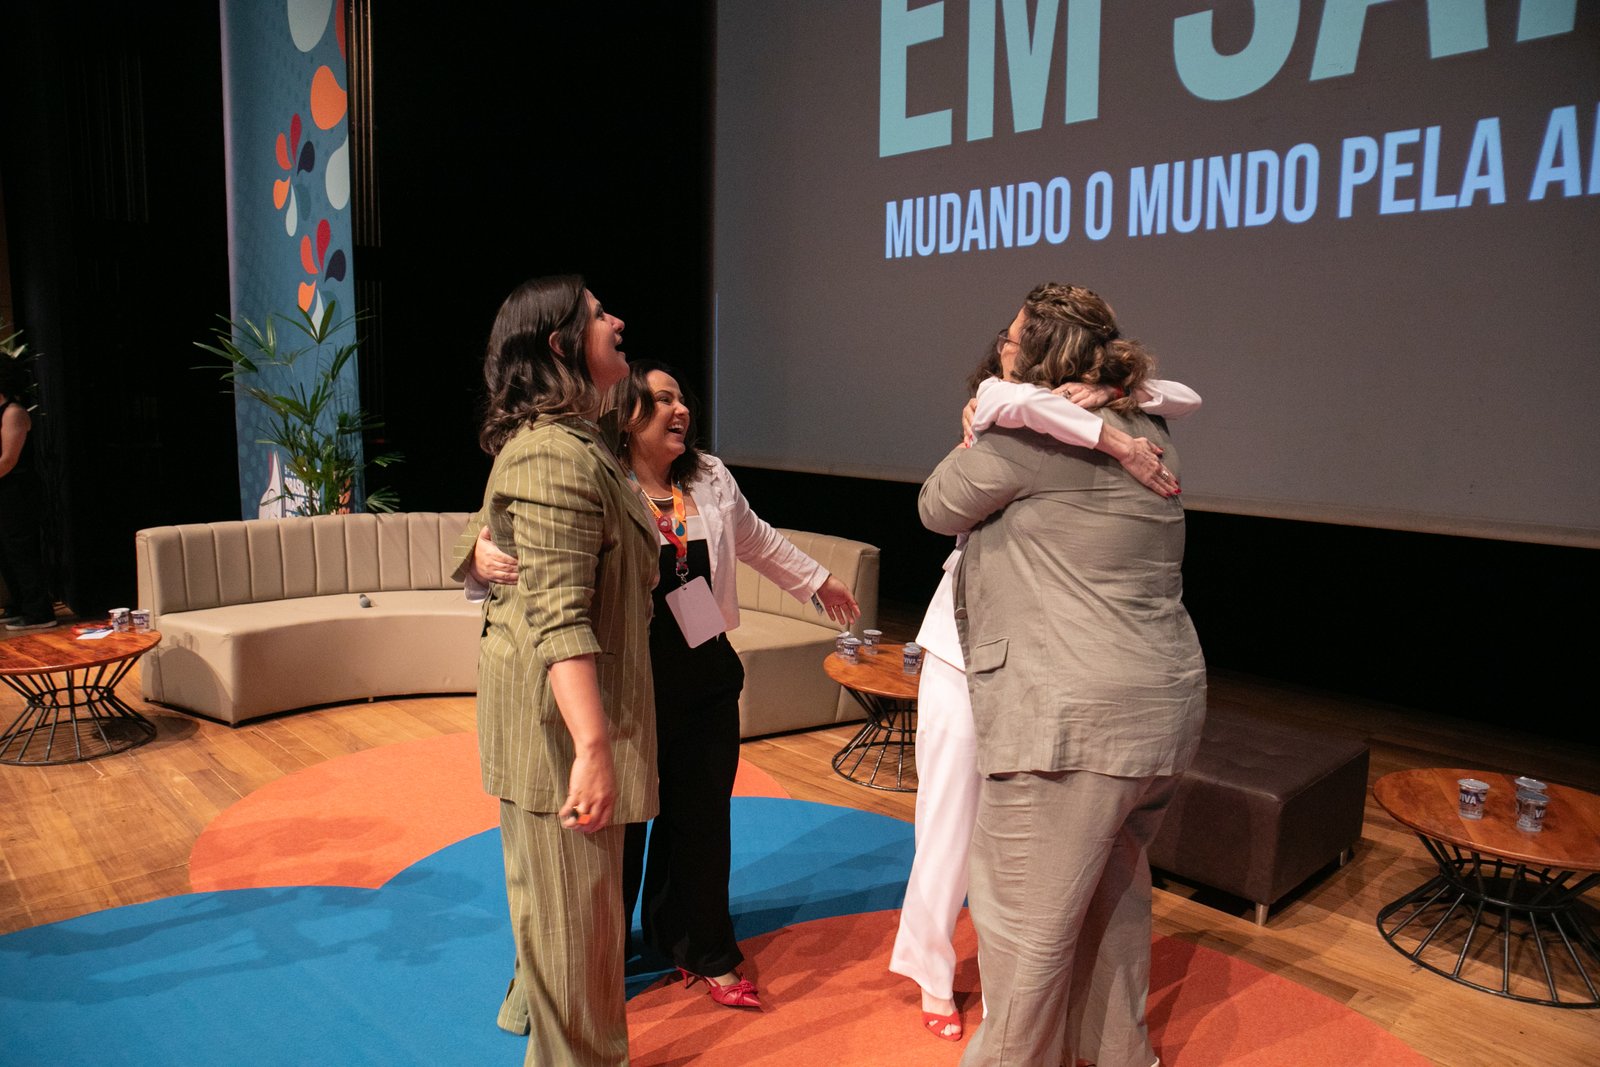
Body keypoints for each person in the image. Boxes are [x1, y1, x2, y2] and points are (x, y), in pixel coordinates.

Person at [469, 360, 859, 1016]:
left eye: (682, 398)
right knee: (619, 827)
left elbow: (757, 539)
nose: (680, 409)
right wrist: (480, 558)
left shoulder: (709, 476)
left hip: (705, 671)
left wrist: (817, 580)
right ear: (626, 415)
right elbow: (513, 537)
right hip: (625, 677)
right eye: (661, 399)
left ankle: (700, 945)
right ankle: (600, 952)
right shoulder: (595, 472)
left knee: (701, 820)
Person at [918, 283, 1207, 1067]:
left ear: (1044, 354)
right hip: (1160, 717)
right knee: (1114, 908)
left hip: (1069, 728)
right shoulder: (1148, 428)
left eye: (1015, 338)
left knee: (1025, 940)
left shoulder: (1026, 439)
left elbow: (936, 505)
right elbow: (1173, 393)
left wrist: (985, 420)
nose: (1003, 347)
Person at [471, 275, 658, 1066]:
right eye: (598, 314)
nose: (617, 320)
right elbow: (558, 615)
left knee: (565, 919)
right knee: (578, 942)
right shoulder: (554, 453)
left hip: (557, 720)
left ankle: (536, 1012)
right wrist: (592, 745)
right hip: (558, 731)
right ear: (560, 344)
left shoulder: (572, 442)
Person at [0, 360, 54, 631]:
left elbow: (8, 460)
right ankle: (20, 605)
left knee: (21, 551)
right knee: (5, 552)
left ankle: (39, 612)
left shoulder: (14, 412)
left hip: (16, 493)